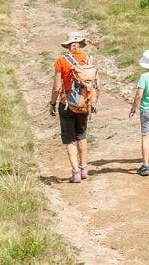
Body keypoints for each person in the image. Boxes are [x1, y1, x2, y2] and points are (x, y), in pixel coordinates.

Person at [49, 31, 98, 183]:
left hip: (66, 105)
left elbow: (57, 87)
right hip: (84, 104)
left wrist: (52, 103)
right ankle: (84, 168)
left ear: (68, 46)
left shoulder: (61, 61)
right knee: (81, 136)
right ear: (82, 44)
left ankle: (75, 172)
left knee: (69, 139)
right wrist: (93, 102)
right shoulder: (91, 60)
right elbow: (96, 85)